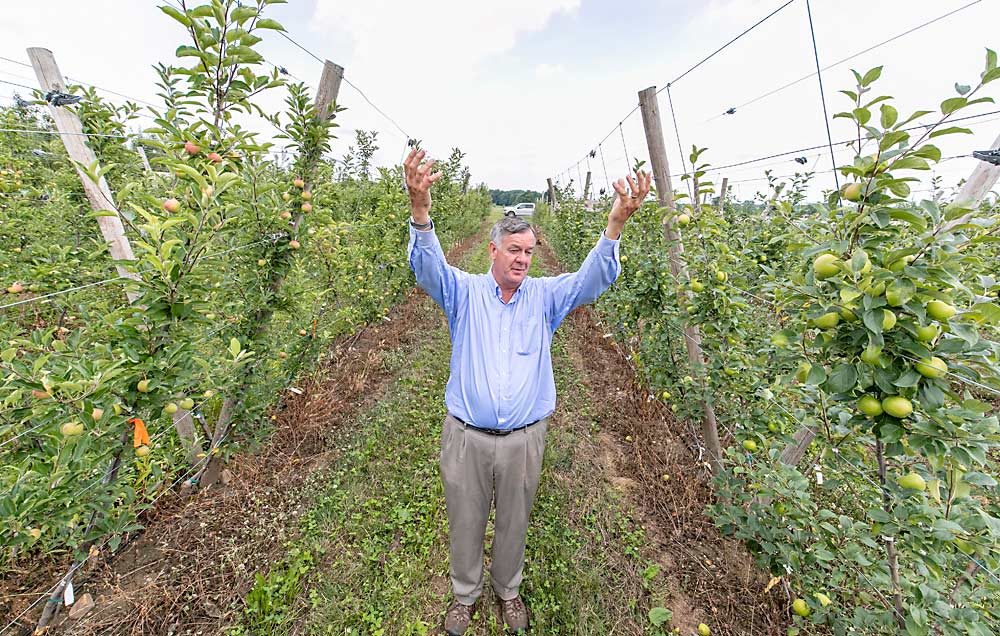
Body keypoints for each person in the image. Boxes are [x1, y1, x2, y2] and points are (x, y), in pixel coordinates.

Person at [404, 148, 650, 635]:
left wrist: (615, 226)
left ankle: (507, 590)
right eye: (514, 250)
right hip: (467, 436)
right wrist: (419, 210)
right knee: (465, 519)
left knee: (514, 521)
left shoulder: (544, 297)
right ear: (493, 250)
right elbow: (428, 269)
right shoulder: (464, 292)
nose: (522, 259)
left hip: (522, 438)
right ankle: (463, 594)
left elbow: (590, 280)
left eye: (529, 252)